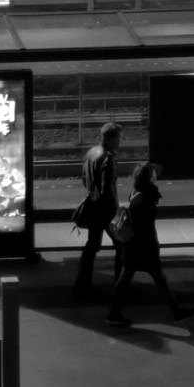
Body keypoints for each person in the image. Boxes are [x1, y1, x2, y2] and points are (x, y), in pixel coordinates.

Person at [107, 160, 194, 328]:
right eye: (153, 173)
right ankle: (177, 312)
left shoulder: (136, 191)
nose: (156, 175)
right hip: (144, 246)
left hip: (133, 244)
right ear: (149, 177)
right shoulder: (147, 197)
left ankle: (113, 313)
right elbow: (144, 224)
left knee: (125, 279)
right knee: (159, 279)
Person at [73, 122, 123, 297]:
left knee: (91, 246)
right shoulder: (108, 158)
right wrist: (115, 212)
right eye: (119, 138)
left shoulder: (91, 153)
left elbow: (85, 179)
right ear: (112, 138)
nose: (120, 142)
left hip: (93, 207)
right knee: (122, 246)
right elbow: (107, 188)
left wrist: (92, 194)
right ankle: (120, 286)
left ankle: (82, 285)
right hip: (106, 210)